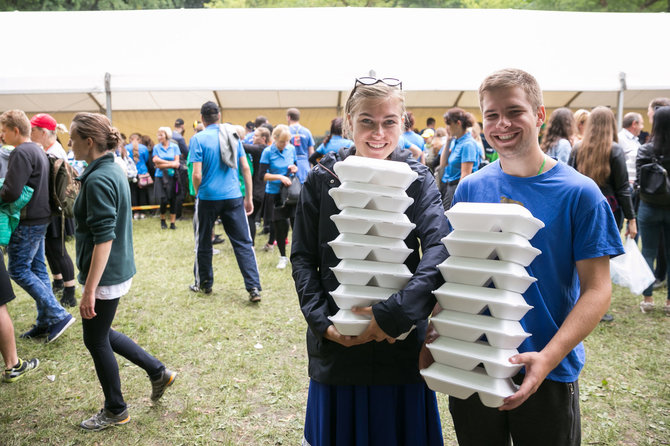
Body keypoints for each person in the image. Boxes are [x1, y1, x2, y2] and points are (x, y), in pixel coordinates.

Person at [432, 68, 623, 446]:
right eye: (491, 115)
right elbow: (459, 275)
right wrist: (435, 332)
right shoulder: (470, 188)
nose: (502, 124)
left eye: (514, 111)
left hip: (547, 370)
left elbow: (598, 290)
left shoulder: (580, 194)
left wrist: (548, 358)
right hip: (474, 364)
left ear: (539, 115)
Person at [292, 77, 448, 445]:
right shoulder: (322, 179)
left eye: (389, 121)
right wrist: (322, 323)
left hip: (400, 345)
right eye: (367, 121)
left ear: (403, 123)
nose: (378, 132)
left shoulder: (418, 179)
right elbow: (303, 257)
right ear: (349, 121)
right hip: (338, 345)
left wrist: (395, 314)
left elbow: (439, 248)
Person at [68, 112, 176, 431]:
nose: (69, 144)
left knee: (95, 339)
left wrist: (88, 289)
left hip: (105, 273)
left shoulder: (101, 176)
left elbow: (105, 237)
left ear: (89, 142)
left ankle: (116, 408)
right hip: (115, 268)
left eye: (72, 139)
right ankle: (157, 371)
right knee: (101, 333)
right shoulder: (111, 166)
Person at [0, 110, 75, 343]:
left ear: (15, 130)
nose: (1, 136)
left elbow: (12, 192)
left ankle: (58, 315)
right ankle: (45, 322)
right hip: (41, 219)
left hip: (27, 221)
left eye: (3, 131)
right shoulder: (37, 150)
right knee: (38, 268)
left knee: (19, 270)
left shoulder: (21, 152)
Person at [188, 101, 261, 302]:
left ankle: (205, 284)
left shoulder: (198, 138)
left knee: (203, 241)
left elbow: (196, 173)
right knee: (243, 243)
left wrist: (197, 192)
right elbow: (245, 168)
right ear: (219, 116)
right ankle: (253, 287)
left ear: (202, 118)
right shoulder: (232, 136)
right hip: (233, 196)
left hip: (208, 197)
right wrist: (248, 197)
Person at [569, 106, 636, 323]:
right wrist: (631, 219)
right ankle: (597, 308)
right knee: (600, 260)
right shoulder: (614, 150)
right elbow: (623, 188)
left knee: (577, 256)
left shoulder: (578, 148)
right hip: (608, 211)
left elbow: (567, 180)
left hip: (578, 208)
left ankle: (577, 301)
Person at [29, 113, 77, 308]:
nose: (30, 133)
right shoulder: (48, 149)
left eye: (32, 130)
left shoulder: (54, 152)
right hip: (50, 208)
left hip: (58, 210)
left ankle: (70, 291)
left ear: (43, 132)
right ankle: (58, 281)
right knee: (50, 248)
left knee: (59, 250)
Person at [636, 105, 670, 315]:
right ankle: (669, 304)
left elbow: (639, 181)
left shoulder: (645, 149)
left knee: (647, 252)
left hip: (649, 205)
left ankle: (648, 299)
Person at [259, 125, 298, 270]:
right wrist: (280, 177)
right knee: (280, 226)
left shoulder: (291, 149)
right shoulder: (267, 152)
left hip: (291, 193)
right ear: (274, 139)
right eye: (282, 141)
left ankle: (297, 256)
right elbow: (262, 175)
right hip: (275, 193)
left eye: (287, 141)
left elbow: (295, 165)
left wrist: (294, 168)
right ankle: (283, 256)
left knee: (296, 226)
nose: (285, 144)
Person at [439, 107, 480, 210]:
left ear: (458, 123)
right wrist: (448, 140)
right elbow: (443, 164)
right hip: (448, 187)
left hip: (456, 188)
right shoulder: (455, 141)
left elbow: (465, 175)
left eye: (449, 124)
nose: (446, 128)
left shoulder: (468, 144)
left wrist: (457, 200)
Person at [243, 126, 271, 244]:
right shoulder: (268, 148)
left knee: (250, 216)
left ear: (263, 138)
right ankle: (271, 242)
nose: (252, 138)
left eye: (255, 136)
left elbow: (242, 146)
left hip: (259, 189)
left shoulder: (261, 149)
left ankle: (251, 243)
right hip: (266, 188)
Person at [152, 127, 181, 230]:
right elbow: (156, 164)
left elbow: (177, 164)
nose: (159, 137)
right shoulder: (156, 147)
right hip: (160, 176)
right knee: (163, 199)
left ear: (167, 135)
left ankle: (172, 223)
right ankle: (163, 220)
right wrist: (170, 163)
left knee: (173, 199)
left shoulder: (174, 147)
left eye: (161, 135)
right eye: (158, 135)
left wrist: (162, 161)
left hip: (172, 176)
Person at [286, 107, 315, 184]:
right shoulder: (307, 131)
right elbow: (311, 152)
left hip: (290, 165)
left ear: (289, 117)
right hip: (305, 165)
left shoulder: (286, 131)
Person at [126, 133, 150, 220]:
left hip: (131, 174)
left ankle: (135, 213)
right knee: (142, 193)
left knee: (132, 193)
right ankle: (142, 212)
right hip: (143, 173)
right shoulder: (144, 148)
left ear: (130, 139)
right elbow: (147, 159)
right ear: (139, 140)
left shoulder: (126, 148)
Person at [172, 118, 189, 221]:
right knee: (180, 191)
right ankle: (178, 215)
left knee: (173, 191)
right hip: (180, 167)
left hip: (169, 168)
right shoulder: (180, 138)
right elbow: (187, 153)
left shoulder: (169, 135)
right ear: (182, 126)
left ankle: (173, 213)